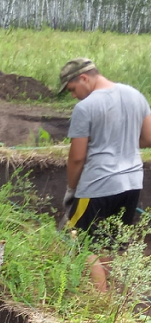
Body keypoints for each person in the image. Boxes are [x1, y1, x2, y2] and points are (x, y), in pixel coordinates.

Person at [59, 58, 151, 292]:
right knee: (109, 246)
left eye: (72, 89)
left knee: (81, 243)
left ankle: (99, 304)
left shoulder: (86, 107)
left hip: (98, 185)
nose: (73, 96)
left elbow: (77, 157)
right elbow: (148, 138)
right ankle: (107, 304)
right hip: (131, 184)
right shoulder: (135, 95)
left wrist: (71, 189)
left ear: (83, 78)